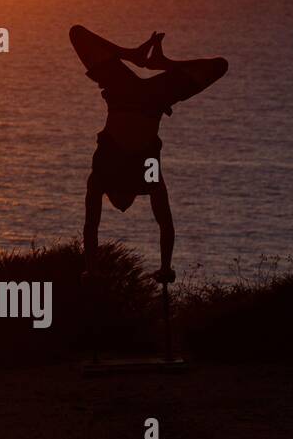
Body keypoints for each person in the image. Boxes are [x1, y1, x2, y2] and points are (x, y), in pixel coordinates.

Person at [69, 25, 228, 283]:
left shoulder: (102, 176)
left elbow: (91, 227)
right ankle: (160, 62)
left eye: (117, 202)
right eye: (126, 203)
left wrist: (92, 268)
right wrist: (165, 266)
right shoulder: (148, 178)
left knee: (77, 33)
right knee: (219, 66)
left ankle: (133, 55)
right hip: (151, 100)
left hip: (125, 94)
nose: (122, 207)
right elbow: (165, 224)